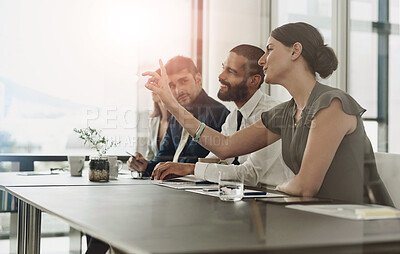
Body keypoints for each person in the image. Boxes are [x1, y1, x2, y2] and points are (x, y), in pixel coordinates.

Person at [144, 22, 393, 206]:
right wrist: (170, 100)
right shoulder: (284, 112)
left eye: (270, 49)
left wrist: (278, 186)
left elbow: (305, 187)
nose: (262, 60)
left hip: (366, 225)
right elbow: (225, 147)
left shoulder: (332, 104)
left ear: (295, 51)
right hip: (319, 216)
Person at [151, 44, 293, 186]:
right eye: (223, 68)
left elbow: (250, 175)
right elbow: (217, 159)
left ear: (253, 81)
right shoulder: (234, 117)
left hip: (274, 199)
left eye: (230, 71)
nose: (220, 76)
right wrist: (178, 169)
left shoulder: (271, 113)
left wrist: (191, 169)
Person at [129, 56, 230, 177]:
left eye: (183, 81)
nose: (178, 90)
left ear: (198, 79)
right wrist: (145, 166)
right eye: (171, 85)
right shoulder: (175, 118)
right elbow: (164, 158)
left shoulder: (219, 114)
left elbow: (222, 165)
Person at [145, 69, 174, 160]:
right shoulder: (154, 121)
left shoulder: (178, 120)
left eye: (158, 83)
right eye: (153, 82)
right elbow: (150, 155)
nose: (153, 86)